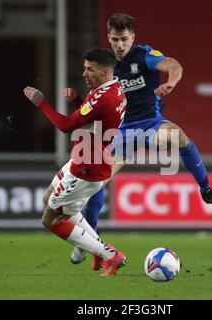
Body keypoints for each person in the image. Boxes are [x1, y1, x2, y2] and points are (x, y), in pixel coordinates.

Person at [71, 13, 212, 268]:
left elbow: (174, 65)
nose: (120, 45)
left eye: (124, 39)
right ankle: (89, 239)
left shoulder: (144, 55)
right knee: (96, 184)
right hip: (120, 132)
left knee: (179, 137)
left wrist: (172, 82)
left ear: (133, 37)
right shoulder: (105, 67)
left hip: (149, 124)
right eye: (115, 40)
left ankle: (206, 189)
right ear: (109, 39)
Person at [23, 47, 128, 276]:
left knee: (50, 220)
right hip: (82, 160)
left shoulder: (103, 97)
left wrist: (42, 103)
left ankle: (110, 255)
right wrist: (77, 100)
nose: (84, 74)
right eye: (84, 68)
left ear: (106, 71)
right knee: (47, 198)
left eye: (90, 69)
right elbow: (92, 120)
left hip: (87, 169)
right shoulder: (114, 88)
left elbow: (66, 126)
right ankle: (98, 249)